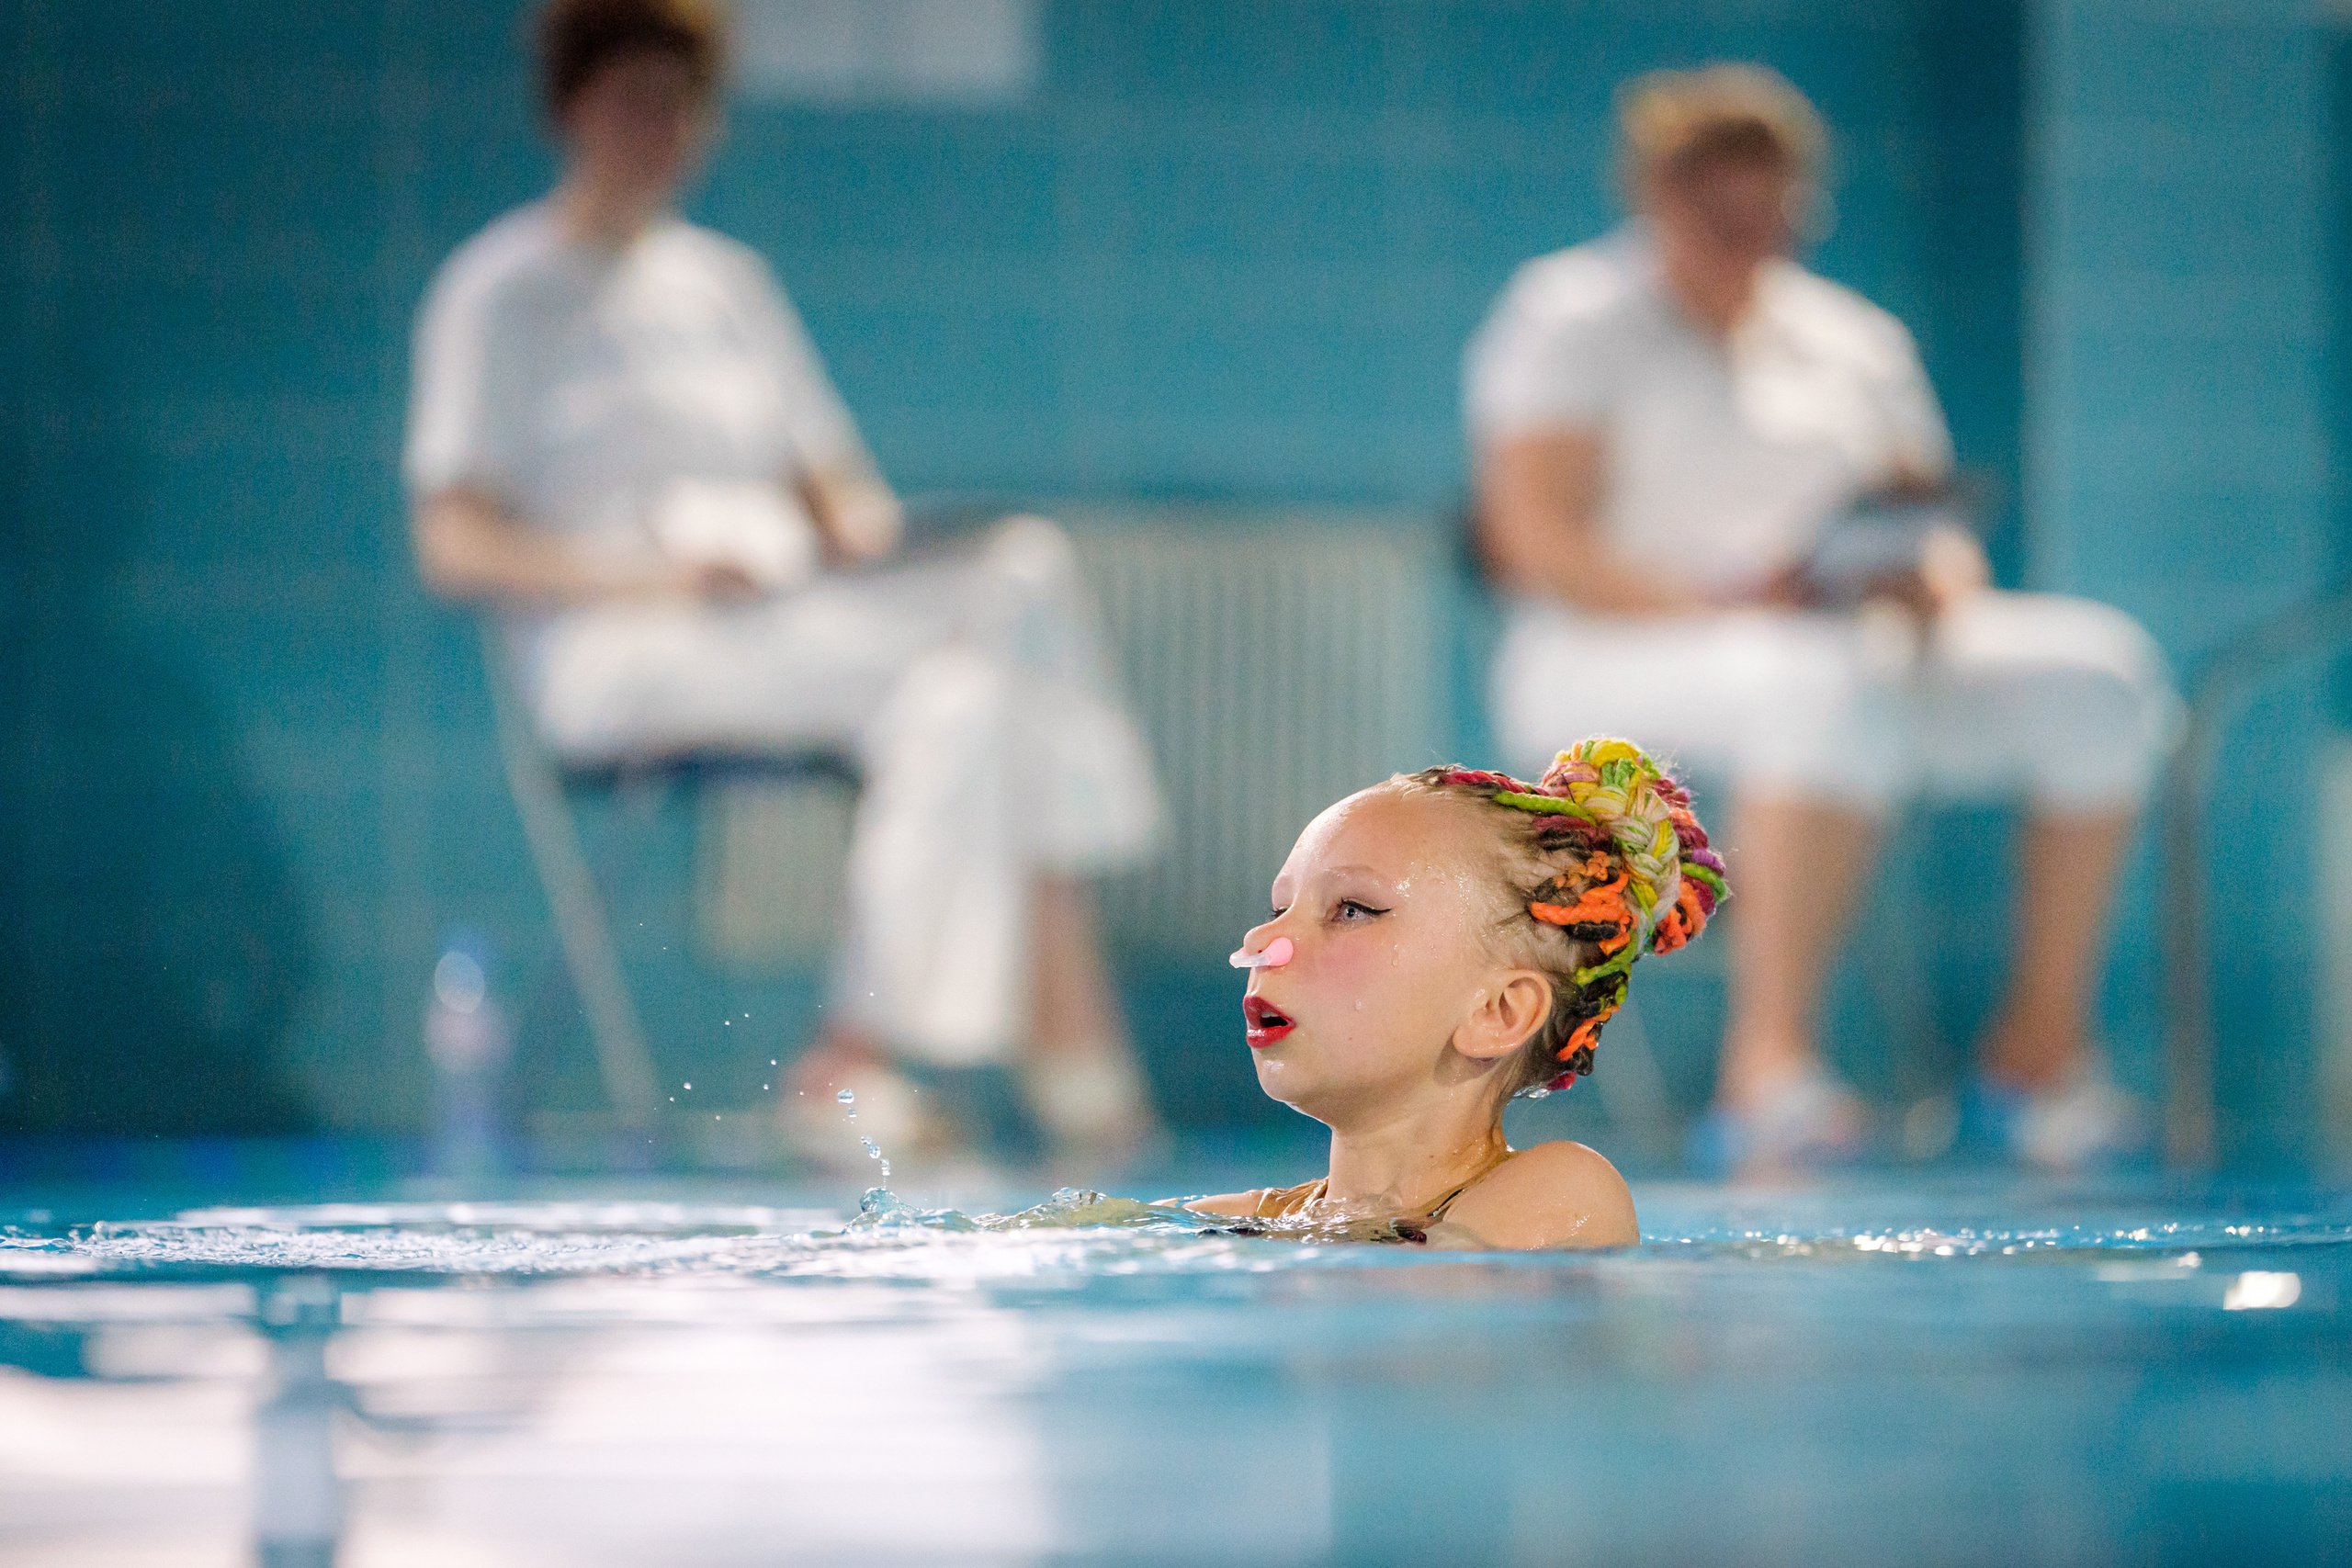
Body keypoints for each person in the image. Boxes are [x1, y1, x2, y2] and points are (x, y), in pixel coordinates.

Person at [402, 0, 1164, 1161]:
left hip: (779, 624)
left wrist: (863, 546)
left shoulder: (725, 286)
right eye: (630, 101)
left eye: (678, 103)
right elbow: (453, 544)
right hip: (619, 649)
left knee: (976, 682)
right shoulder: (498, 289)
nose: (656, 128)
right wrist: (649, 577)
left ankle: (849, 1059)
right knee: (1016, 602)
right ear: (570, 109)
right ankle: (1071, 1029)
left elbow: (839, 494)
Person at [1464, 64, 2179, 1175]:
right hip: (1613, 656)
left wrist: (1930, 579)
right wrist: (1728, 598)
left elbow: (1927, 522)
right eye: (1721, 214)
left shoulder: (1852, 339)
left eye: (1773, 213)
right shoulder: (1568, 317)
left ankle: (2035, 1054)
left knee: (2099, 676)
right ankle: (1768, 1071)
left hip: (1847, 650)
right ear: (1660, 196)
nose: (1750, 239)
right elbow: (1536, 541)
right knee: (1815, 677)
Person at [1184, 738, 1724, 1248]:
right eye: (1280, 911)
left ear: (1500, 1010)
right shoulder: (1241, 1221)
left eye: (1352, 911)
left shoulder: (1560, 1192)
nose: (1263, 942)